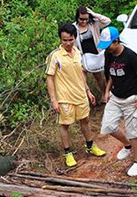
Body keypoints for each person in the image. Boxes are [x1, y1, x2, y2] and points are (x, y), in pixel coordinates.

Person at [46, 23, 107, 167]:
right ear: (60, 39)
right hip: (64, 97)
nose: (67, 43)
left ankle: (90, 146)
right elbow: (49, 77)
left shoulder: (78, 53)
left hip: (80, 94)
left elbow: (80, 74)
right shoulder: (55, 56)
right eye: (64, 40)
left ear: (75, 38)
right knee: (65, 124)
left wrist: (87, 90)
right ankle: (67, 153)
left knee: (85, 120)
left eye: (70, 40)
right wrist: (54, 100)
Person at [97, 27, 137, 177]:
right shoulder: (109, 54)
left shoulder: (130, 55)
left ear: (116, 41)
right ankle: (127, 145)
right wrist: (106, 91)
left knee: (134, 132)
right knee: (108, 126)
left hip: (131, 97)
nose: (107, 49)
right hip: (116, 97)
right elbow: (111, 74)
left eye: (108, 45)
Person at [72, 6, 111, 98]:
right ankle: (86, 97)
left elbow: (107, 21)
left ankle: (104, 94)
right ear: (77, 17)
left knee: (99, 78)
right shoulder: (74, 27)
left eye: (86, 19)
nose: (84, 21)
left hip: (95, 55)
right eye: (81, 19)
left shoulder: (94, 24)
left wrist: (94, 14)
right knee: (81, 79)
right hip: (82, 56)